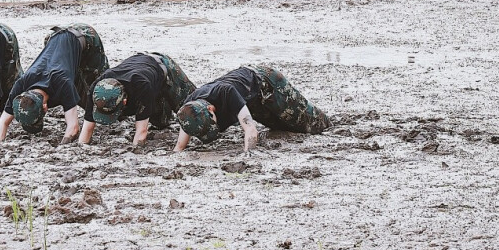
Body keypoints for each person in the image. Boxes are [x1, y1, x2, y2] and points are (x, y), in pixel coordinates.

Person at [174, 66, 332, 153]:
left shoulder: (227, 93)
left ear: (211, 109)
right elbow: (183, 138)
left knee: (309, 124)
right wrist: (176, 154)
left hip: (269, 85)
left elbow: (251, 130)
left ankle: (330, 124)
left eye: (211, 123)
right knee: (280, 126)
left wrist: (248, 154)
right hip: (252, 102)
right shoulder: (189, 108)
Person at [0, 23, 107, 144]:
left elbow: (73, 128)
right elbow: (3, 122)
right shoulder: (21, 84)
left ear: (45, 107)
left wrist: (62, 146)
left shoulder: (63, 83)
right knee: (73, 76)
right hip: (53, 37)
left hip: (85, 36)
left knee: (100, 92)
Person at [78, 52, 195, 146]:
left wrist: (135, 152)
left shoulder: (141, 86)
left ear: (124, 101)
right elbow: (87, 127)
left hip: (164, 67)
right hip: (142, 69)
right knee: (161, 123)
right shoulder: (97, 89)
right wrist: (82, 147)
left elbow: (142, 132)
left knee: (191, 111)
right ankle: (162, 105)